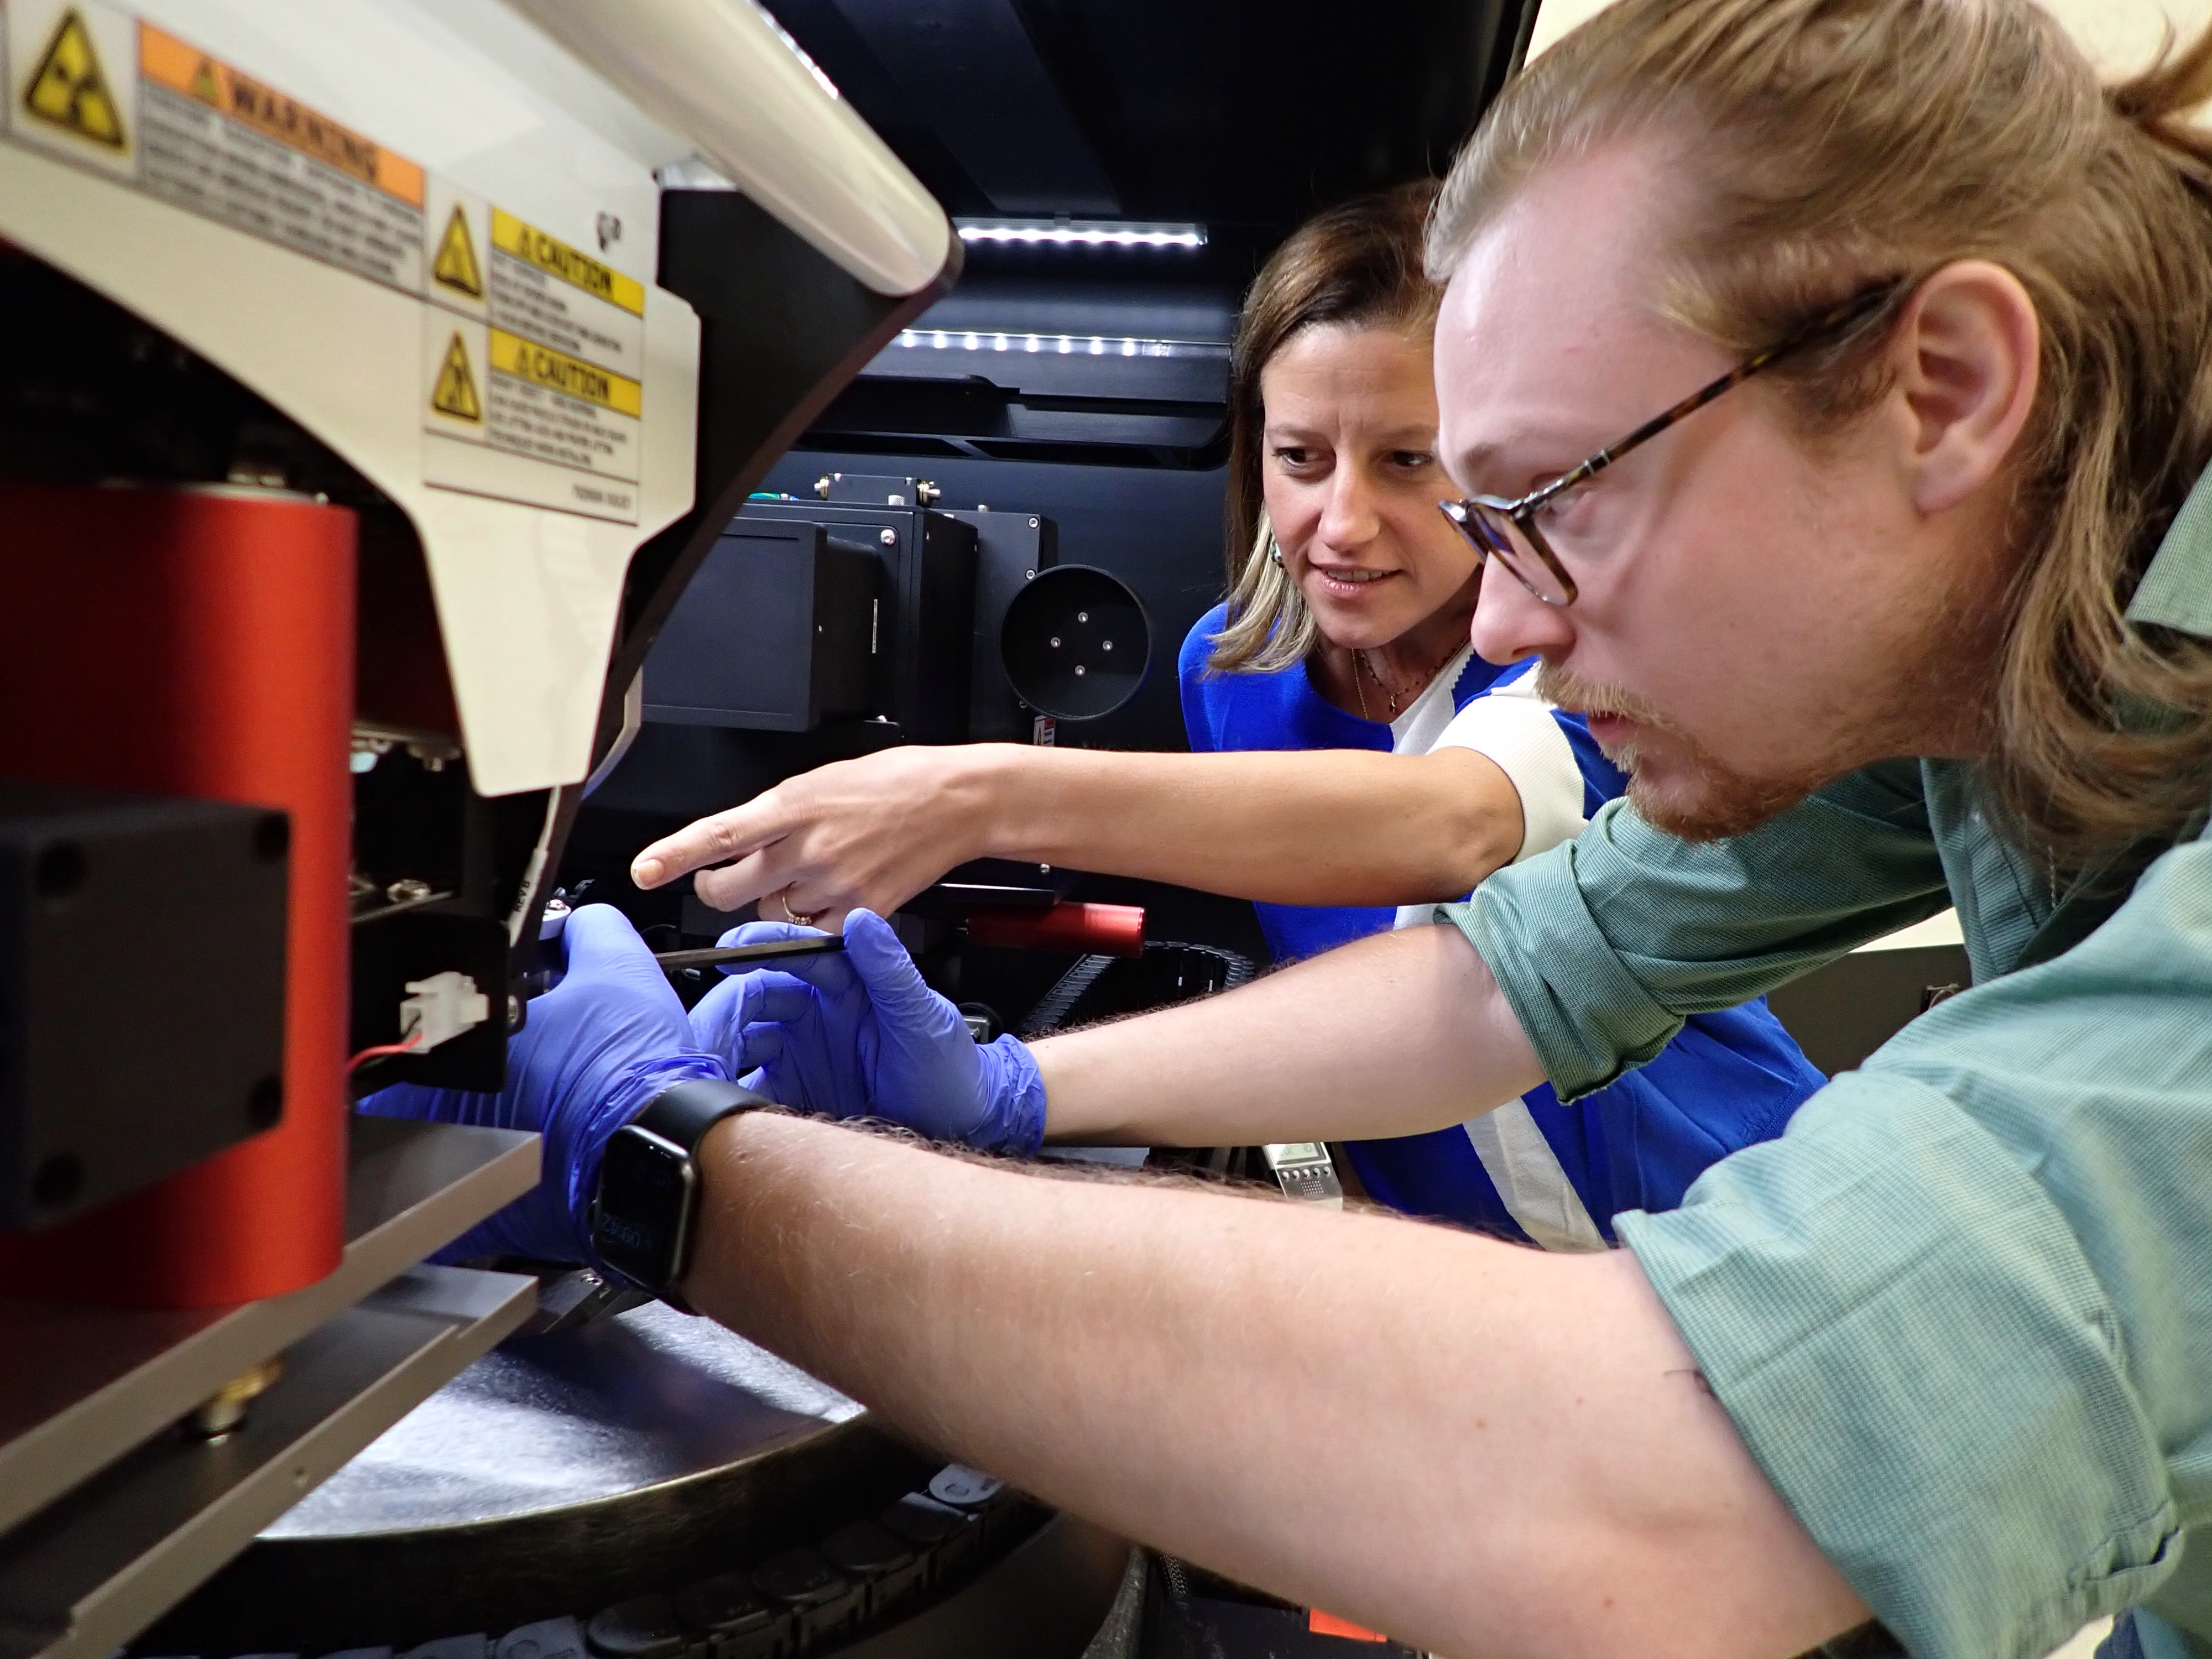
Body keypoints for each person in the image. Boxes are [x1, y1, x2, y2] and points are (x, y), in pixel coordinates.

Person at [369, 2, 2212, 1655]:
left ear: (1948, 389)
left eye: (1548, 501)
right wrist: (1016, 1096)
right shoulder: (1999, 644)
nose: (1504, 628)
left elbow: (1666, 1495)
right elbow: (1508, 983)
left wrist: (669, 1157)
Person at [633, 185, 1824, 1250]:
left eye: (1408, 462)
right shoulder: (1232, 674)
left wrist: (969, 795)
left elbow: (1447, 825)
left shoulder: (1576, 648)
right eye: (1300, 456)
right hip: (1469, 1258)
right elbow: (1354, 992)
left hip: (1723, 1219)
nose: (1340, 523)